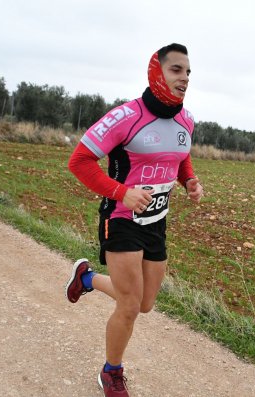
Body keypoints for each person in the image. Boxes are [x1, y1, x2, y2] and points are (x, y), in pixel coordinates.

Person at [65, 43, 203, 397]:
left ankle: (87, 278)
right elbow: (79, 161)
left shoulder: (186, 120)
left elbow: (180, 157)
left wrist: (189, 180)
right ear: (156, 72)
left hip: (156, 222)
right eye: (176, 70)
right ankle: (111, 372)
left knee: (144, 303)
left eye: (188, 72)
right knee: (128, 305)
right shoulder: (126, 116)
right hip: (122, 218)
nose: (184, 78)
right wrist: (120, 192)